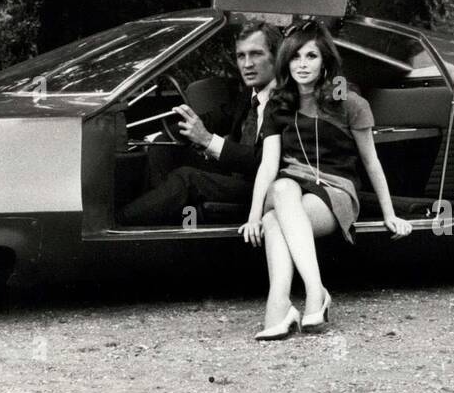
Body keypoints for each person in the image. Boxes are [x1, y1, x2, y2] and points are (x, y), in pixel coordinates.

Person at [239, 19, 412, 340]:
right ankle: (305, 297)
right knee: (280, 188)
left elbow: (371, 163)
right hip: (291, 188)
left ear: (325, 61)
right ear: (285, 61)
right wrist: (252, 217)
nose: (302, 65)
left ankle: (288, 304)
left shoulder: (349, 102)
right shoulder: (279, 104)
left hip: (336, 190)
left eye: (311, 56)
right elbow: (269, 163)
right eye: (295, 57)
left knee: (277, 219)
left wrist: (390, 214)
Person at [117, 21, 281, 226]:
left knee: (187, 179)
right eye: (241, 56)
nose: (247, 64)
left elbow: (265, 162)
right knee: (163, 147)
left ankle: (122, 222)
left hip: (261, 187)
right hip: (234, 175)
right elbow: (216, 118)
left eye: (256, 54)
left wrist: (207, 140)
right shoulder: (249, 94)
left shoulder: (288, 100)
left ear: (276, 57)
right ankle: (159, 221)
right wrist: (174, 130)